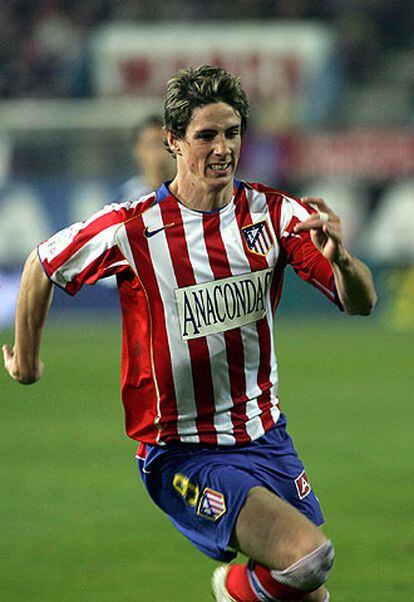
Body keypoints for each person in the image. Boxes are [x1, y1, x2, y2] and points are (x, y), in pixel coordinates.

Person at [3, 65, 377, 602]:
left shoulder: (276, 214)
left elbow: (360, 302)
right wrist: (28, 361)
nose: (222, 148)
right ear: (173, 142)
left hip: (266, 436)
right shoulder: (132, 229)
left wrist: (342, 261)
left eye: (232, 132)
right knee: (311, 558)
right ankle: (230, 587)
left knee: (308, 594)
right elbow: (42, 265)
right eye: (206, 135)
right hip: (182, 450)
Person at [118, 114, 176, 201]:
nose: (159, 152)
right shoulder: (127, 198)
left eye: (165, 144)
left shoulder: (190, 192)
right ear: (138, 151)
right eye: (152, 144)